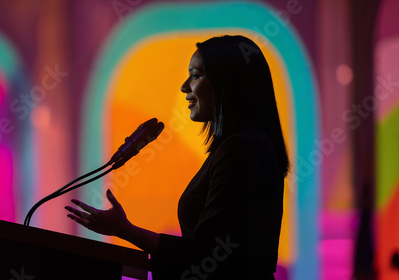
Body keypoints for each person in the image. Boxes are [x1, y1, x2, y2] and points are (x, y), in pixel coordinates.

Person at [65, 35, 289, 279]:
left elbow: (210, 255)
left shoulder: (241, 148)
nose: (184, 86)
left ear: (227, 81)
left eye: (195, 75)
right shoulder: (246, 145)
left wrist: (125, 230)